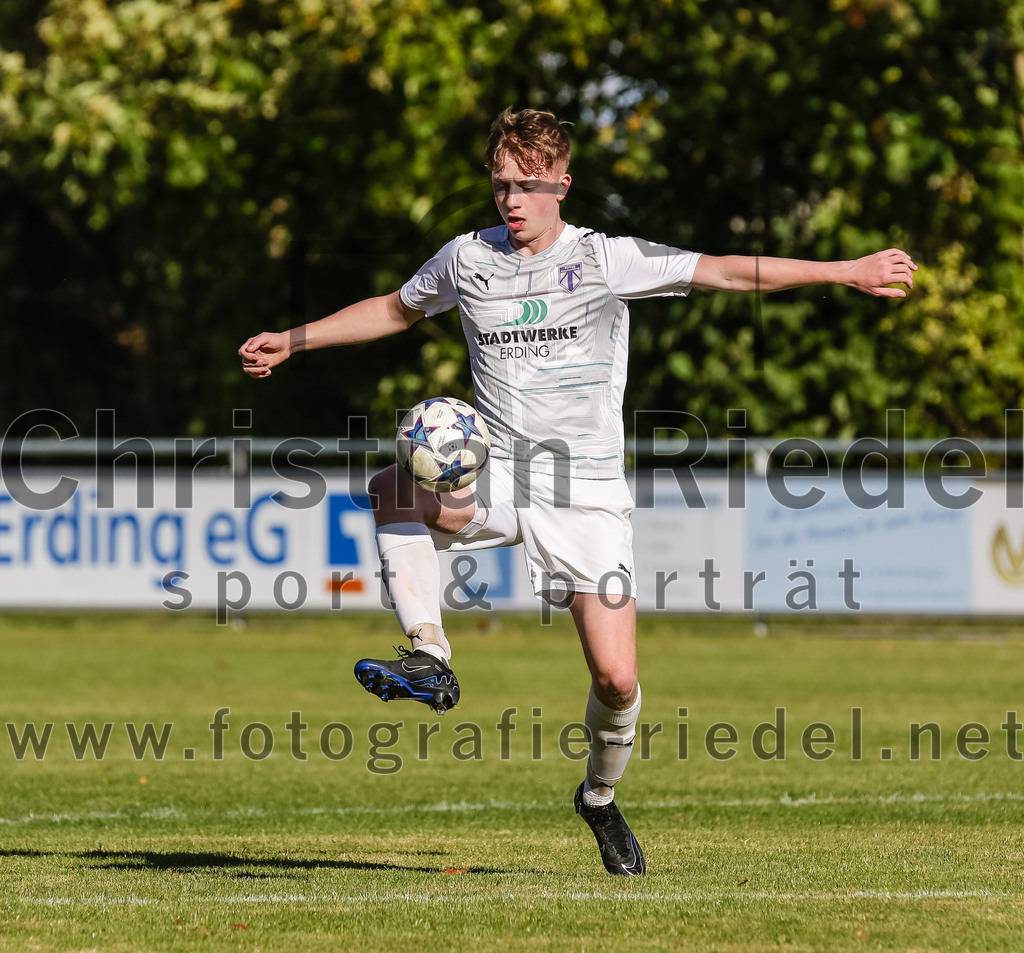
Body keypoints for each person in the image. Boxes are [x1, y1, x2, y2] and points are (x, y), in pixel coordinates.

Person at [239, 107, 917, 876]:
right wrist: (294, 339)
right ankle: (429, 652)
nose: (511, 199)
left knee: (617, 678)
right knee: (393, 486)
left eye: (527, 184)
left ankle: (598, 795)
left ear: (562, 183)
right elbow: (394, 309)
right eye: (501, 184)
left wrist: (845, 271)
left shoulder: (605, 259)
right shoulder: (466, 259)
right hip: (496, 470)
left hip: (586, 488)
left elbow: (727, 268)